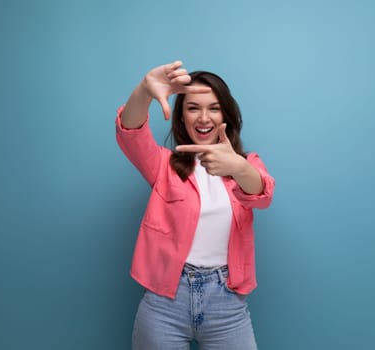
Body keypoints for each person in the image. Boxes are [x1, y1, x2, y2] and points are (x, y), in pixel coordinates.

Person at [116, 60, 275, 350]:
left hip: (226, 303)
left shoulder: (246, 165)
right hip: (165, 301)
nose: (204, 118)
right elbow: (130, 132)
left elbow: (262, 193)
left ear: (226, 114)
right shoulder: (164, 165)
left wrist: (237, 167)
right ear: (181, 117)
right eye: (193, 108)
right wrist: (144, 90)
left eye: (213, 108)